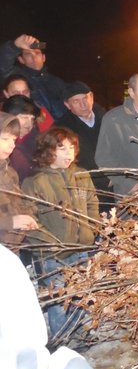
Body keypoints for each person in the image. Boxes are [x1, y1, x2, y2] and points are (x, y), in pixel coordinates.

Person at [0, 243, 112, 369]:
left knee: (77, 293)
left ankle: (78, 331)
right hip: (52, 250)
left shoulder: (4, 262)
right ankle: (66, 336)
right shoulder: (4, 264)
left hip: (75, 244)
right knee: (61, 297)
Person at [22, 127, 99, 342]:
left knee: (82, 294)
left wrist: (92, 230)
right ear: (47, 151)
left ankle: (83, 334)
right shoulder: (35, 182)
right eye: (61, 148)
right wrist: (51, 244)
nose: (69, 154)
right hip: (52, 254)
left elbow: (92, 203)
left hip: (82, 247)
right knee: (59, 299)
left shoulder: (81, 175)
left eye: (72, 148)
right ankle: (64, 341)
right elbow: (30, 219)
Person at [56, 81, 112, 210]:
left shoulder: (108, 118)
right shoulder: (63, 129)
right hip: (86, 189)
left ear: (91, 96)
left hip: (116, 183)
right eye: (76, 101)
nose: (83, 104)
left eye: (85, 98)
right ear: (67, 105)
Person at [0, 34, 68, 120]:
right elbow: (3, 65)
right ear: (21, 60)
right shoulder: (18, 77)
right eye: (28, 54)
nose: (33, 57)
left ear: (43, 58)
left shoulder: (57, 82)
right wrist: (14, 46)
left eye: (37, 53)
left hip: (62, 130)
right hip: (35, 129)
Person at [0, 113, 38, 246]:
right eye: (5, 139)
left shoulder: (10, 173)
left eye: (14, 140)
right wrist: (11, 222)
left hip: (13, 248)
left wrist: (28, 215)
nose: (12, 145)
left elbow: (20, 203)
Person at [1, 95, 40, 181]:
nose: (29, 123)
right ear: (8, 116)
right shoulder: (5, 146)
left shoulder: (38, 140)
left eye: (32, 119)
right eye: (24, 117)